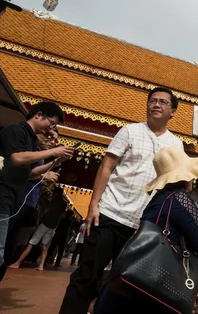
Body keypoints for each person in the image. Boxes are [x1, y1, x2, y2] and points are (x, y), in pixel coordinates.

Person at [60, 87, 184, 314]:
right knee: (86, 277)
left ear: (173, 111)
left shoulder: (176, 145)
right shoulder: (129, 131)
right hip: (109, 213)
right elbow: (107, 166)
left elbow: (176, 184)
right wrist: (94, 205)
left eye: (163, 102)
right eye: (153, 101)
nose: (156, 105)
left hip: (142, 226)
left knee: (124, 287)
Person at [95, 146, 198, 313]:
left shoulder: (160, 198)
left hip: (128, 290)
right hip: (146, 295)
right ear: (186, 176)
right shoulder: (178, 197)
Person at [0, 102, 72, 269]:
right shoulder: (16, 130)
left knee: (6, 250)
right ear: (38, 115)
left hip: (12, 199)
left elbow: (31, 173)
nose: (50, 129)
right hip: (2, 193)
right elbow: (16, 158)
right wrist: (53, 152)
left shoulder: (31, 141)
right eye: (51, 123)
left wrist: (55, 161)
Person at [9, 187, 67, 270]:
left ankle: (17, 262)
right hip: (52, 226)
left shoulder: (54, 200)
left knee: (31, 243)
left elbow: (46, 210)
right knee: (44, 245)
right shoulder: (63, 203)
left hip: (45, 223)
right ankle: (41, 265)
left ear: (56, 193)